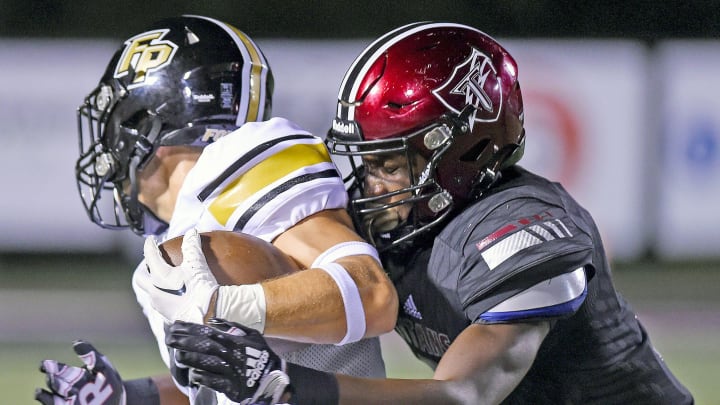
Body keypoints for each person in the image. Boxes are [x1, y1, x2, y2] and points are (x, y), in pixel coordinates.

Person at [163, 21, 695, 404]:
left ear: (464, 151)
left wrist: (286, 386)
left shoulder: (522, 230)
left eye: (389, 163)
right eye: (365, 162)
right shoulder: (402, 224)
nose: (369, 184)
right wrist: (126, 394)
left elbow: (464, 394)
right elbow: (258, 369)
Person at [35, 15, 397, 405]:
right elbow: (238, 377)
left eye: (117, 122)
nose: (109, 150)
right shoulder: (174, 240)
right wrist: (131, 397)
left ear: (144, 120)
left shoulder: (237, 163)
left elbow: (371, 295)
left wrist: (225, 306)